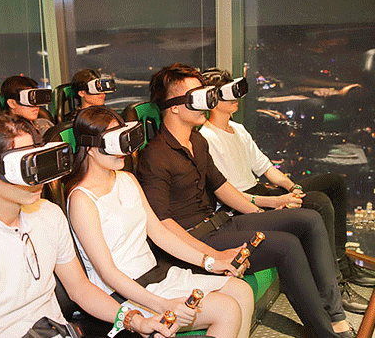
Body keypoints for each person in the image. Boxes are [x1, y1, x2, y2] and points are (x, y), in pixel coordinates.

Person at [137, 63, 355, 338]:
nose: (207, 102)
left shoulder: (197, 141)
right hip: (196, 239)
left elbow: (222, 187)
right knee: (286, 246)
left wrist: (263, 213)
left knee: (309, 218)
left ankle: (334, 315)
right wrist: (210, 257)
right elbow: (163, 224)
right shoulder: (155, 155)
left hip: (220, 223)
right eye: (197, 97)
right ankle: (323, 333)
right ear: (174, 107)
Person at [0, 112, 171, 338]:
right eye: (25, 167)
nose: (37, 178)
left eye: (39, 162)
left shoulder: (49, 215)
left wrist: (135, 320)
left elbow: (80, 289)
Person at [66, 106, 253, 338]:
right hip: (123, 292)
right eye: (112, 143)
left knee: (241, 291)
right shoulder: (82, 199)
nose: (122, 151)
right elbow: (108, 273)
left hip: (155, 275)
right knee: (227, 309)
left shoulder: (127, 179)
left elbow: (159, 234)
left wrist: (209, 262)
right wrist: (161, 304)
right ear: (90, 149)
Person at [199, 68, 373, 311]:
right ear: (213, 99)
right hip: (244, 204)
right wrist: (277, 201)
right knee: (319, 202)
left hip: (260, 190)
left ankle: (342, 263)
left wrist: (293, 187)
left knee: (333, 182)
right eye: (229, 92)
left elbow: (266, 167)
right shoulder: (206, 137)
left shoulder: (237, 129)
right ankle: (333, 286)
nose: (237, 97)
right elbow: (227, 194)